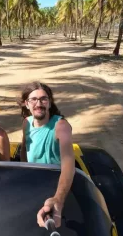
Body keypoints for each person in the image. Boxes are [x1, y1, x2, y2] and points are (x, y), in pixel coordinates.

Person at [18, 82, 75, 228]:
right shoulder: (26, 123)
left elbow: (68, 167)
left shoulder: (61, 126)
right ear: (26, 103)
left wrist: (59, 200)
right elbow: (24, 149)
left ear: (49, 103)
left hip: (55, 182)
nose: (39, 104)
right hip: (33, 181)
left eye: (44, 99)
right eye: (34, 99)